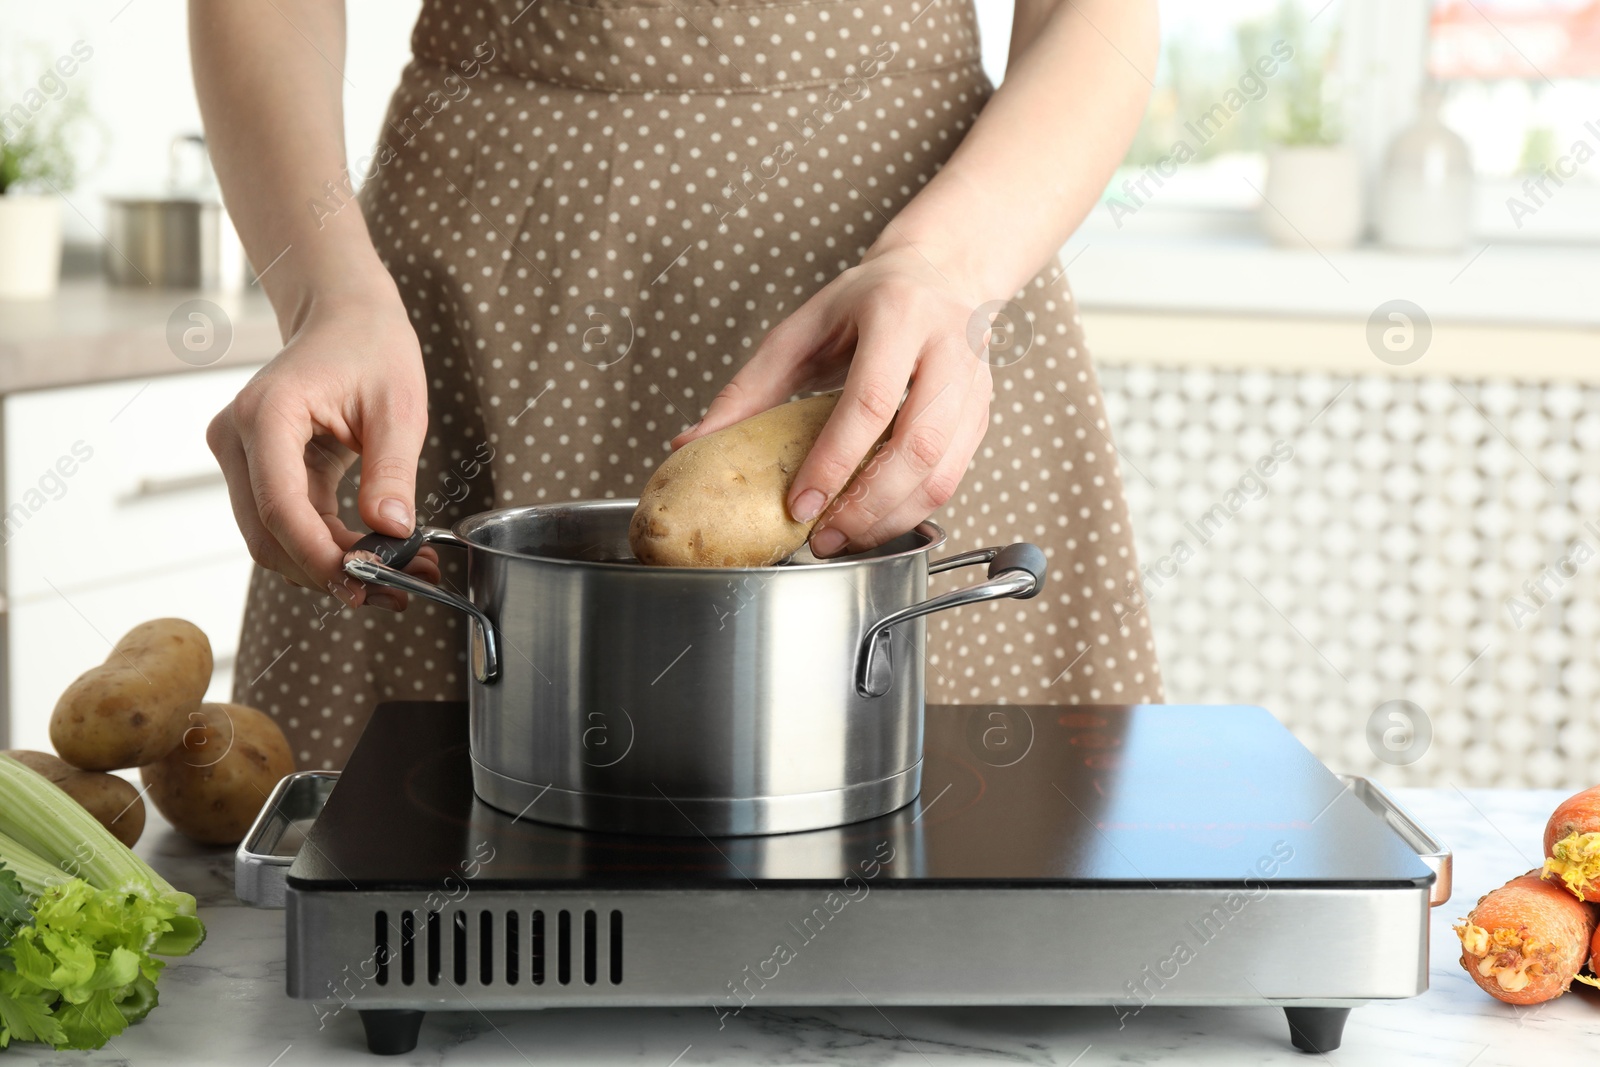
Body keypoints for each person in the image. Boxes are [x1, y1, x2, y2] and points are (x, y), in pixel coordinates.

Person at [191, 0, 1163, 769]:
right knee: (408, 928)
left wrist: (943, 268)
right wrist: (326, 294)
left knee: (964, 888)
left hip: (922, 297)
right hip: (470, 289)